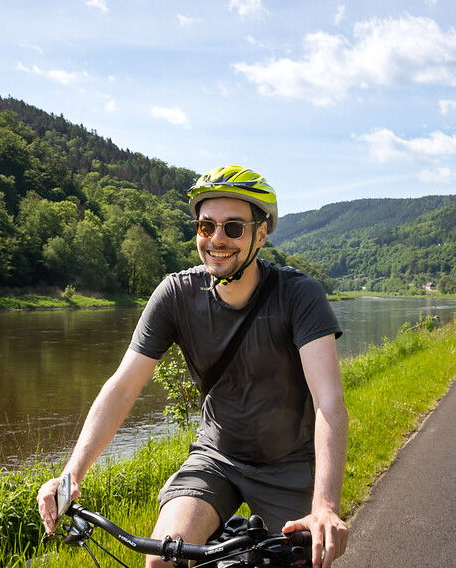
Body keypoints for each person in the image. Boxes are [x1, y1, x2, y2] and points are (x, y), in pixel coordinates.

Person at [36, 165, 349, 568]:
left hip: (287, 462)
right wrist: (71, 476)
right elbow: (123, 387)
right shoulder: (175, 294)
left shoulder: (299, 295)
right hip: (216, 457)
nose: (217, 239)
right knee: (161, 559)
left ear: (261, 234)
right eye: (206, 226)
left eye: (233, 228)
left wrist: (324, 506)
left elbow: (329, 401)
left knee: (306, 557)